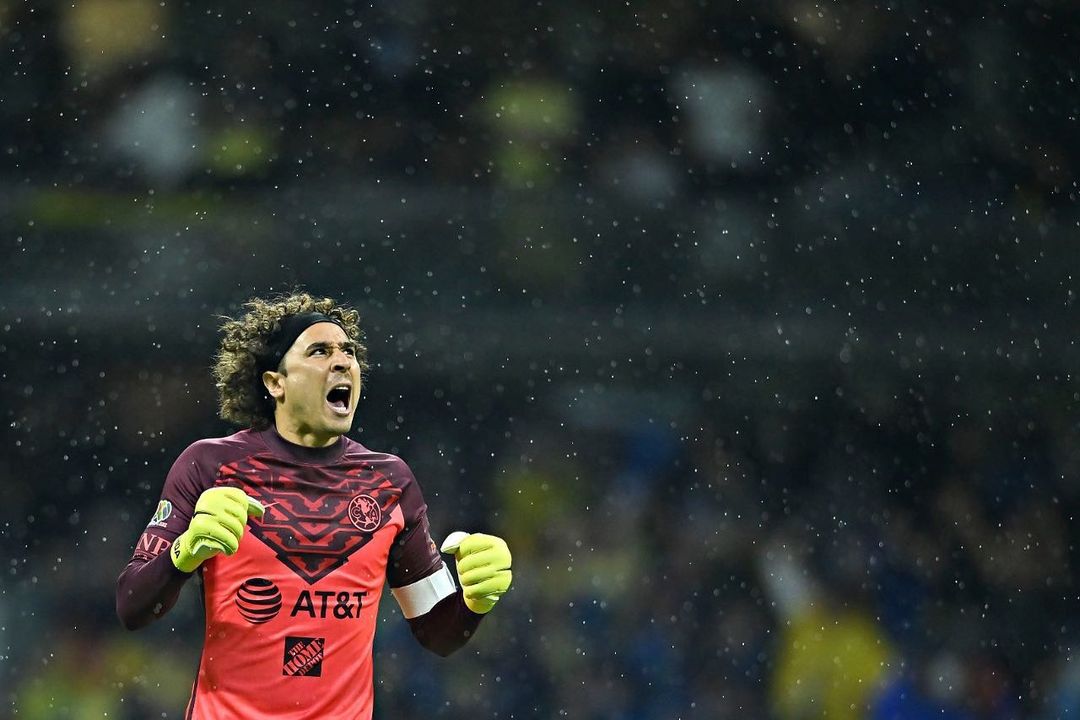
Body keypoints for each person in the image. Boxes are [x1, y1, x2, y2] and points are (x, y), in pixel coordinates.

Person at [116, 291, 512, 719]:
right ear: (275, 382)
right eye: (319, 351)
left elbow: (437, 634)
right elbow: (132, 607)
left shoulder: (390, 483)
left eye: (348, 352)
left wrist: (475, 601)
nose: (342, 362)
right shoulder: (210, 466)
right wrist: (183, 553)